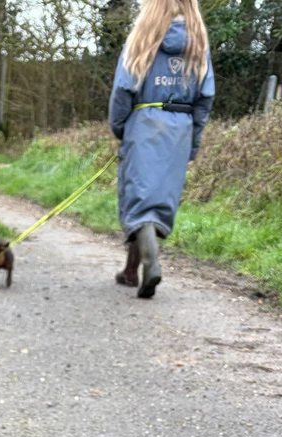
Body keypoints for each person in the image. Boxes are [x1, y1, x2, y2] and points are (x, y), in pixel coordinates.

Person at [108, 0, 215, 298]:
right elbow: (205, 98)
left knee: (137, 198)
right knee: (157, 200)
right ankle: (132, 270)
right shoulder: (198, 43)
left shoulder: (142, 36)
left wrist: (121, 128)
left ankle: (149, 263)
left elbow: (122, 89)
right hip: (180, 127)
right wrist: (192, 142)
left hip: (143, 121)